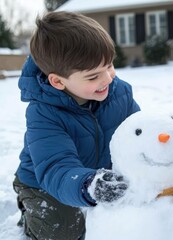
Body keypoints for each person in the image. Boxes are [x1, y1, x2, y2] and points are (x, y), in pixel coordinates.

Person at [12, 11, 140, 240]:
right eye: (93, 77)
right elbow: (56, 167)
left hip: (97, 174)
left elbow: (139, 133)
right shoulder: (44, 113)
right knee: (63, 230)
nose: (108, 79)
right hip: (46, 182)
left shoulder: (118, 92)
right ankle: (30, 214)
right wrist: (89, 185)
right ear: (58, 81)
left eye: (110, 66)